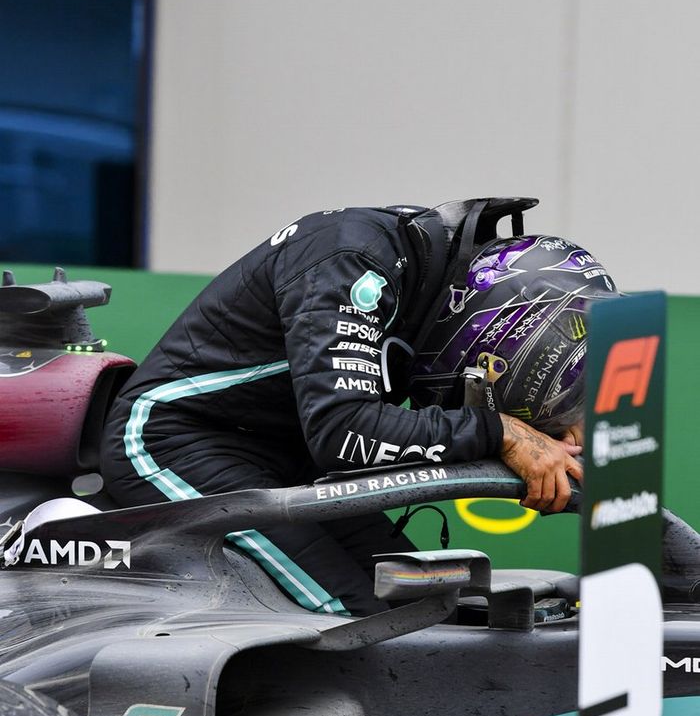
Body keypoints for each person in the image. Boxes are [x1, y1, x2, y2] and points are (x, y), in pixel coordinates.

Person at [100, 197, 617, 616]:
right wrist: (501, 433)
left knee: (430, 608)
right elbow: (342, 430)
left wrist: (544, 437)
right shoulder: (352, 260)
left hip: (285, 458)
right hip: (175, 442)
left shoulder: (420, 277)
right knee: (359, 619)